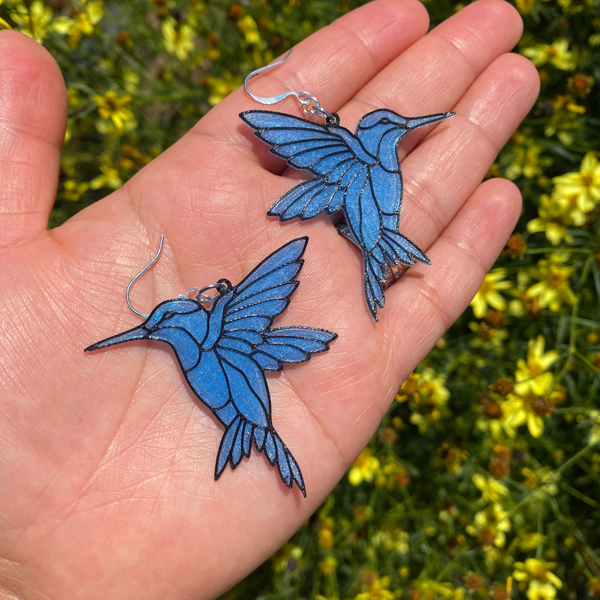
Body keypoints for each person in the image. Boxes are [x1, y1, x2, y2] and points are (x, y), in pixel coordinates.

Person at [0, 0, 538, 597]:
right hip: (296, 317)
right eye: (391, 130)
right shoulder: (211, 335)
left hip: (347, 252)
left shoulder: (217, 335)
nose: (155, 330)